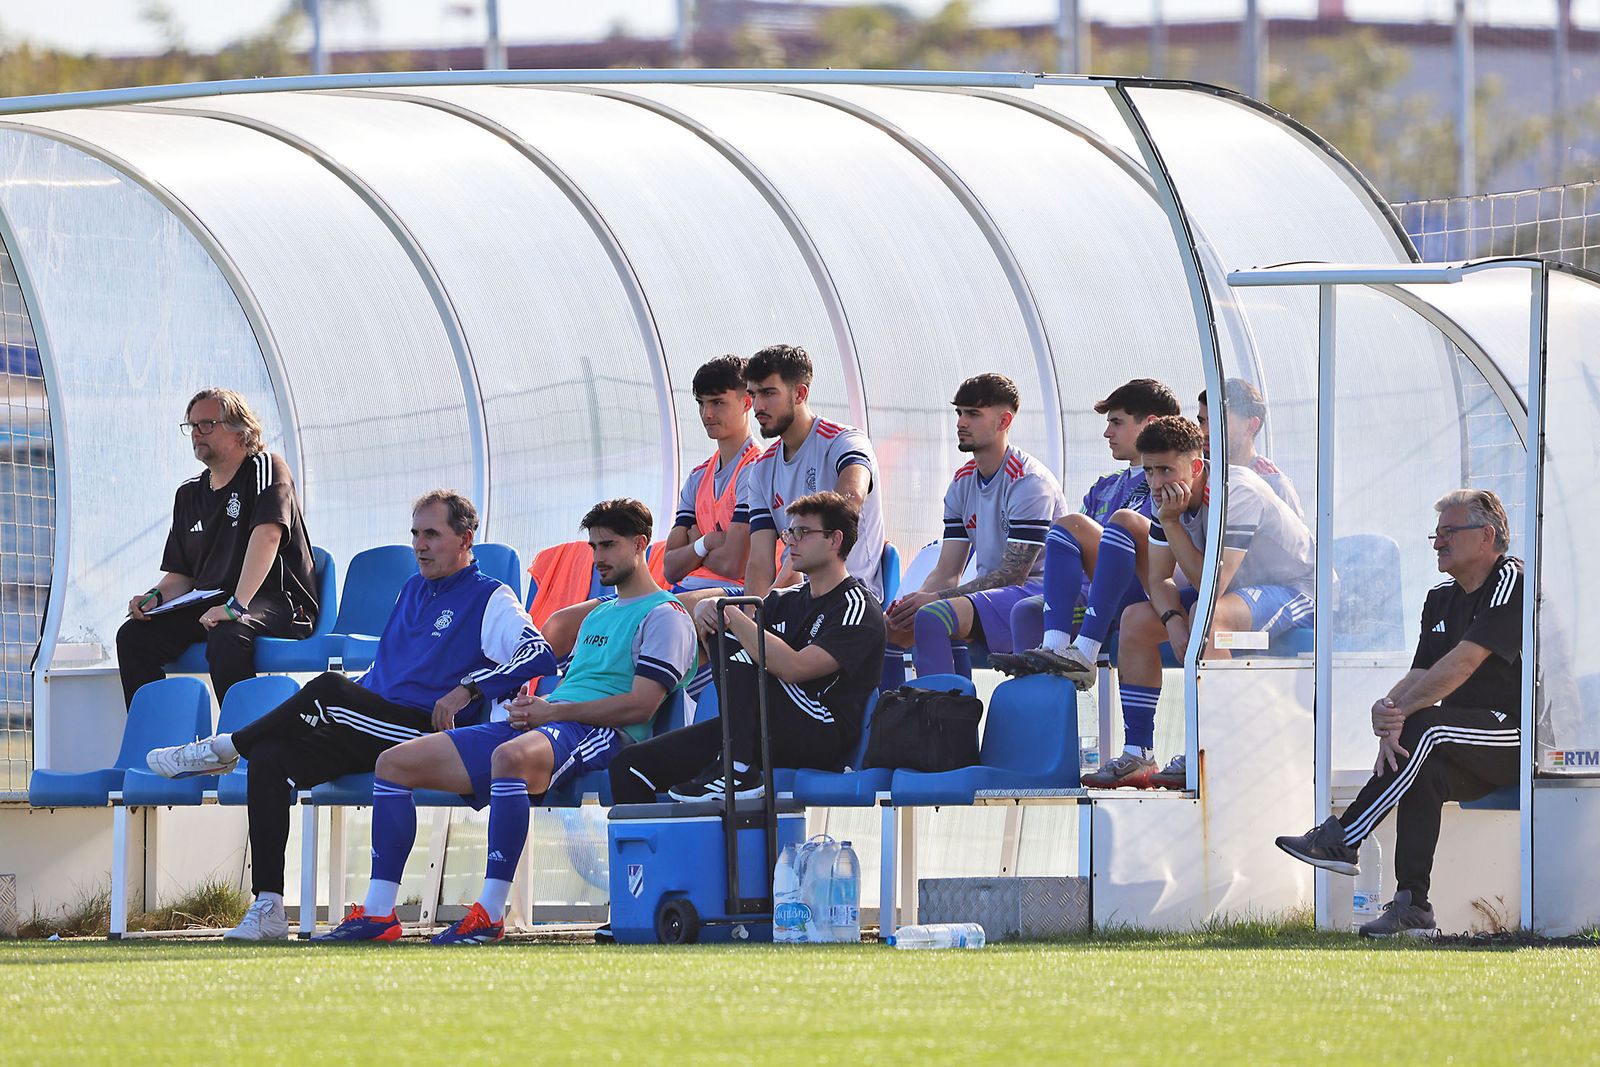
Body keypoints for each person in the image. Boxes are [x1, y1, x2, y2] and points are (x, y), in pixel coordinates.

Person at [144, 490, 554, 941]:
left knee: (326, 687)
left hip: (423, 732)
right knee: (271, 755)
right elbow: (385, 671)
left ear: (465, 539)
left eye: (433, 535)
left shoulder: (489, 596)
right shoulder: (412, 590)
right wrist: (350, 700)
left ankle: (223, 748)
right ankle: (269, 907)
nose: (420, 544)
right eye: (415, 533)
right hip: (374, 724)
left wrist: (468, 689)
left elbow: (539, 653)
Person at [316, 498, 696, 945]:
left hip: (598, 734)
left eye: (608, 546)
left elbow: (640, 707)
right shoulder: (599, 612)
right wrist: (529, 707)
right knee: (395, 764)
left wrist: (551, 711)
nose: (597, 558)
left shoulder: (665, 616)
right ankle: (379, 913)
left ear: (639, 545)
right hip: (546, 723)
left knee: (509, 757)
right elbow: (547, 649)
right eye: (593, 546)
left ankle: (490, 914)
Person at [1276, 489, 1521, 938]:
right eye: (1436, 534)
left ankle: (1345, 836)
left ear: (1487, 536)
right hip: (1462, 740)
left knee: (1424, 726)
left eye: (1449, 532)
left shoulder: (1512, 582)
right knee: (1421, 768)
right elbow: (1421, 673)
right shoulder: (1440, 598)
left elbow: (1463, 664)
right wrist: (1389, 711)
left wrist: (1405, 715)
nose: (1437, 543)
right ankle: (1413, 907)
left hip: (1520, 739)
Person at [610, 491, 886, 804]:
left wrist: (722, 610)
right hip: (755, 727)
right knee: (630, 766)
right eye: (789, 532)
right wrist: (708, 615)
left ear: (835, 540)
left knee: (730, 630)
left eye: (802, 532)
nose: (791, 541)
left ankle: (738, 767)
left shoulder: (857, 606)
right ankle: (656, 851)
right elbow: (731, 649)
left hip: (819, 727)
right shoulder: (785, 600)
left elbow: (795, 668)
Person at [1093, 415, 1314, 790]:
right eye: (1149, 471)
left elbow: (1210, 586)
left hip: (1298, 593)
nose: (1156, 482)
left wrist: (1173, 523)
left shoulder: (1235, 492)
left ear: (1196, 466)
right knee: (1135, 620)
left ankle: (1212, 746)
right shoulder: (1167, 500)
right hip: (1237, 595)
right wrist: (1172, 622)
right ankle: (1138, 753)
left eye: (1166, 470)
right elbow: (1158, 578)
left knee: (1208, 620)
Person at [539, 355, 760, 702]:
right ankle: (517, 703)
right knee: (562, 623)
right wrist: (705, 545)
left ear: (747, 401)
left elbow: (733, 564)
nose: (707, 414)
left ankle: (590, 712)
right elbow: (671, 565)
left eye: (718, 402)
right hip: (679, 590)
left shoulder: (756, 470)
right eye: (702, 404)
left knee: (647, 624)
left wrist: (694, 547)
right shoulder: (698, 476)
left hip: (731, 595)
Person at [117, 388, 318, 708]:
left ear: (241, 431)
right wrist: (153, 598)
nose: (196, 432)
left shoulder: (266, 468)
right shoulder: (188, 494)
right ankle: (162, 746)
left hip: (276, 600)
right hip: (212, 602)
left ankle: (244, 746)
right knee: (134, 637)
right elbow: (182, 575)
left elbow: (268, 537)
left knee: (227, 634)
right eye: (192, 425)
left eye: (207, 424)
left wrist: (236, 605)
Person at [990, 378, 1182, 685]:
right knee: (1026, 612)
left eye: (1116, 423)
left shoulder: (1172, 483)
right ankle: (1050, 719)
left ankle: (1073, 652)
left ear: (1151, 424)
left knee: (1074, 525)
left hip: (1144, 595)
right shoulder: (1103, 488)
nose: (1107, 433)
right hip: (1094, 595)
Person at [883, 374, 1065, 680]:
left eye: (974, 414)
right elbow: (946, 570)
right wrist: (910, 604)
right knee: (892, 630)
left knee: (934, 615)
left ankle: (942, 711)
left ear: (1004, 420)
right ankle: (899, 717)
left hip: (1037, 597)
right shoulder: (962, 482)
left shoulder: (1029, 481)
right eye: (959, 413)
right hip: (991, 597)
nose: (961, 422)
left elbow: (1013, 575)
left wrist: (934, 600)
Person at [734, 344, 887, 602]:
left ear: (800, 394)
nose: (758, 405)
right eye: (753, 394)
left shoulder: (844, 442)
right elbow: (759, 561)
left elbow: (852, 496)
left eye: (769, 393)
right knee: (706, 616)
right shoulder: (761, 469)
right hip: (795, 598)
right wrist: (753, 621)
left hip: (850, 596)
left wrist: (790, 570)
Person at [1197, 378, 1304, 518]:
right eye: (1202, 421)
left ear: (1251, 426)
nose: (1204, 431)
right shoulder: (1201, 477)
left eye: (1218, 422)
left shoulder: (1274, 485)